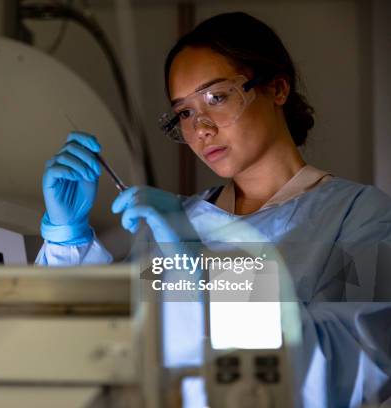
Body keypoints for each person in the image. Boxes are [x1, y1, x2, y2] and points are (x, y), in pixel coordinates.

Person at [35, 12, 391, 407]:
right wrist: (68, 241)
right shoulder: (170, 222)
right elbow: (100, 353)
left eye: (216, 97)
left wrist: (204, 270)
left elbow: (347, 372)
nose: (200, 128)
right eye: (184, 112)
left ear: (277, 88)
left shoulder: (358, 216)